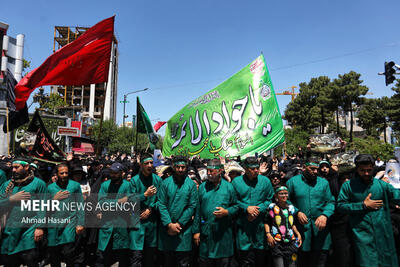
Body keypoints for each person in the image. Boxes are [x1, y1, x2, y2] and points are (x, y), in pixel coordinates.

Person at [337, 154, 400, 267]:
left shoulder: (381, 185)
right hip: (362, 236)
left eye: (369, 170)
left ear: (373, 168)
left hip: (383, 234)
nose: (366, 173)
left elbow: (397, 196)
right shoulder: (348, 186)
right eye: (362, 170)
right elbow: (341, 206)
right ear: (357, 169)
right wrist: (362, 205)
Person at [286, 159, 335, 267]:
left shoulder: (324, 183)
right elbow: (286, 201)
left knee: (320, 259)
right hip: (301, 229)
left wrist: (324, 215)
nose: (315, 171)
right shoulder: (293, 182)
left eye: (317, 169)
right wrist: (297, 212)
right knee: (301, 259)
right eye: (312, 169)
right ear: (304, 168)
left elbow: (330, 202)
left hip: (320, 230)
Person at [0, 158, 47, 267]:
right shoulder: (8, 185)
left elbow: (43, 206)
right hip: (9, 231)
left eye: (17, 167)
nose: (13, 170)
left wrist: (40, 227)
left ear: (26, 167)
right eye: (12, 167)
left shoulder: (39, 184)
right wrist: (11, 199)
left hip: (28, 231)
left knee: (30, 260)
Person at [193, 158, 238, 267]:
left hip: (223, 236)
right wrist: (196, 232)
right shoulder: (203, 187)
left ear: (220, 170)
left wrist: (227, 211)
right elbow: (197, 210)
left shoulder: (229, 187)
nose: (209, 173)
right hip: (206, 236)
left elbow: (236, 206)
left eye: (212, 171)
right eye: (207, 170)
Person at [231, 156, 274, 267]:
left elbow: (270, 199)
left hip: (260, 227)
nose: (256, 171)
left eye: (257, 168)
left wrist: (257, 210)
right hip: (243, 227)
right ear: (245, 168)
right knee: (245, 260)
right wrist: (246, 208)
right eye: (252, 169)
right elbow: (232, 200)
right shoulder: (236, 182)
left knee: (260, 260)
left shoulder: (265, 181)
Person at [157, 156, 198, 267]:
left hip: (183, 231)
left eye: (183, 167)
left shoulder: (191, 185)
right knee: (167, 262)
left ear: (186, 168)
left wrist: (179, 224)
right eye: (178, 167)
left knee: (183, 263)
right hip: (167, 230)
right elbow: (161, 204)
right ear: (173, 167)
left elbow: (192, 206)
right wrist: (169, 224)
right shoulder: (165, 183)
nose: (180, 169)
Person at [47, 163, 85, 267]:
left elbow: (80, 205)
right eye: (62, 173)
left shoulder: (75, 186)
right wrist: (54, 199)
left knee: (69, 253)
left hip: (69, 223)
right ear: (56, 174)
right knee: (54, 255)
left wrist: (80, 223)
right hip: (53, 225)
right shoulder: (50, 188)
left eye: (66, 173)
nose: (64, 175)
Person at [129, 153, 163, 267]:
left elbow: (162, 200)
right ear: (140, 165)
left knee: (150, 258)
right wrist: (144, 195)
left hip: (151, 225)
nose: (149, 165)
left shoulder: (157, 180)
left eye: (151, 163)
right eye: (146, 163)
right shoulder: (134, 181)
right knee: (136, 258)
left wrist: (150, 209)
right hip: (137, 224)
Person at [96, 162, 131, 267]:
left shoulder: (128, 186)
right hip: (107, 225)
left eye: (115, 173)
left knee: (123, 257)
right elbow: (101, 203)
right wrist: (118, 202)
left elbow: (129, 203)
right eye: (111, 172)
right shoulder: (105, 185)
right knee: (104, 256)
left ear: (122, 173)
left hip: (122, 226)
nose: (113, 175)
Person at [265, 186, 302, 267]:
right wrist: (268, 234)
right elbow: (267, 222)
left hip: (291, 242)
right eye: (281, 194)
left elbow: (292, 224)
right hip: (277, 242)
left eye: (286, 193)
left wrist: (298, 234)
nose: (284, 195)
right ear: (276, 195)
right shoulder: (272, 207)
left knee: (293, 264)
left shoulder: (291, 207)